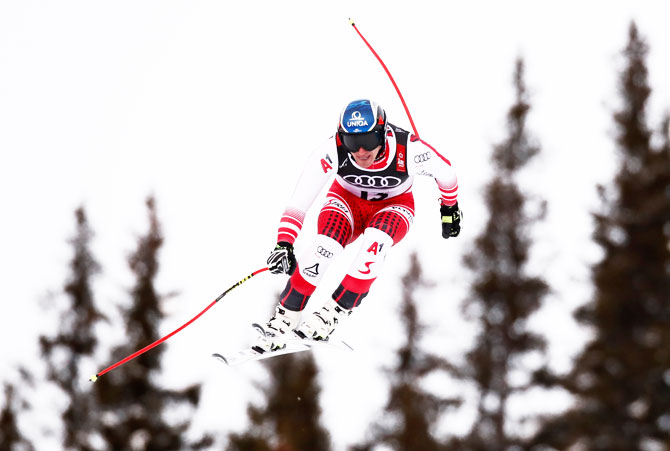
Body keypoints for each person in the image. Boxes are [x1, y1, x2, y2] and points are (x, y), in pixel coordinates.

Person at [254, 99, 461, 353]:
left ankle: (332, 313)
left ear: (383, 133)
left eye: (369, 141)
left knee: (377, 239)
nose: (361, 152)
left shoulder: (410, 150)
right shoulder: (332, 150)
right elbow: (299, 203)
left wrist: (449, 210)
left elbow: (447, 174)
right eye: (353, 142)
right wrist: (284, 243)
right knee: (325, 245)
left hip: (394, 206)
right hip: (346, 202)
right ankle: (285, 318)